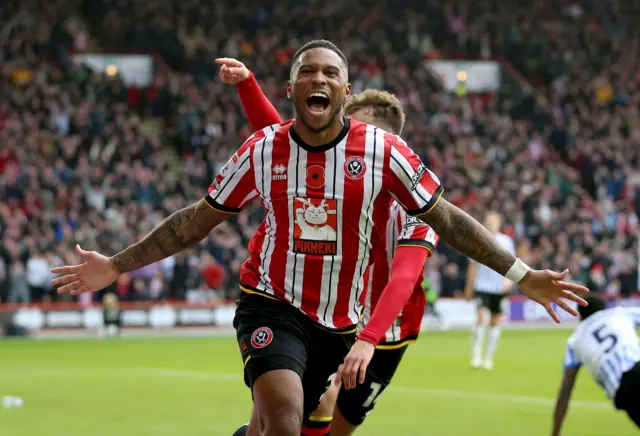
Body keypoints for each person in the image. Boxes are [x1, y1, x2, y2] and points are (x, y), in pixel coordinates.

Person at [51, 40, 588, 436]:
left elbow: (448, 220)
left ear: (345, 90)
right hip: (271, 303)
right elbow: (194, 221)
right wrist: (118, 265)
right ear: (293, 89)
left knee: (269, 430)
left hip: (340, 322)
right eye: (307, 71)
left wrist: (521, 275)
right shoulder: (262, 151)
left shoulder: (384, 154)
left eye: (331, 72)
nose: (319, 78)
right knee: (285, 423)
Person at [217, 58, 438, 435]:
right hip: (325, 309)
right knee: (292, 410)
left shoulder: (409, 197)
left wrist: (368, 339)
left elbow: (404, 276)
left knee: (337, 424)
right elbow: (281, 140)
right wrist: (248, 85)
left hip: (386, 330)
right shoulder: (324, 163)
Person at [551, 294, 640, 435]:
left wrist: (555, 433)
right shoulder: (618, 313)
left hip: (622, 391)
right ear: (604, 308)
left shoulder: (574, 342)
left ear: (580, 316)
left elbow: (565, 391)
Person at [464, 211, 515, 370]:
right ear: (484, 222)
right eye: (488, 221)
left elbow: (512, 264)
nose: (491, 224)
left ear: (499, 223)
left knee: (495, 322)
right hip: (481, 286)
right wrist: (469, 287)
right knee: (480, 318)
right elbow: (472, 265)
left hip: (498, 288)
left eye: (494, 221)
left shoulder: (506, 241)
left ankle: (488, 358)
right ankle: (476, 356)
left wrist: (509, 281)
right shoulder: (477, 239)